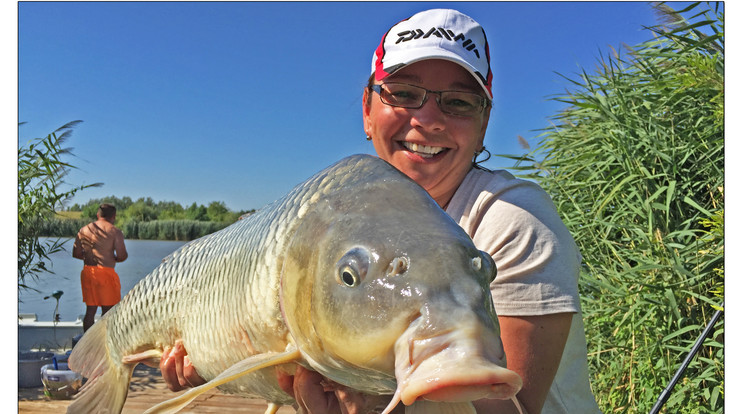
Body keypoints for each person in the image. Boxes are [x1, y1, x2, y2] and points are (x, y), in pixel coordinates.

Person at [160, 8, 601, 414]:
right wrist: (213, 365)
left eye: (458, 102)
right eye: (404, 94)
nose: (428, 119)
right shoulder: (334, 215)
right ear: (368, 111)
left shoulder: (513, 220)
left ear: (484, 124)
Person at [72, 203, 128, 332]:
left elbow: (76, 254)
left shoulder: (84, 230)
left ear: (98, 215)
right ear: (114, 216)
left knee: (90, 311)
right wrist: (113, 258)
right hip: (105, 273)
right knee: (108, 312)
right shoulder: (114, 231)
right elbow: (122, 255)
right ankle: (103, 345)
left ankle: (86, 344)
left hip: (88, 272)